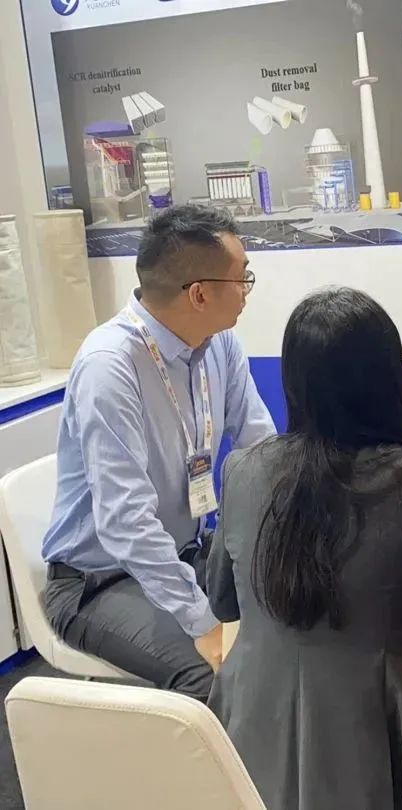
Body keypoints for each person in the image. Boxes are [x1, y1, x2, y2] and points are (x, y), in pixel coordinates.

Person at [207, 287, 402, 810]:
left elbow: (223, 601)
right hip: (381, 731)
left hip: (250, 723)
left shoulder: (243, 470)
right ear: (388, 377)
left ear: (293, 380)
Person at [41, 204, 275, 700]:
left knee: (298, 621)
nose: (247, 291)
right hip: (99, 580)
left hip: (187, 552)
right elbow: (126, 522)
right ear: (200, 293)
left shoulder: (219, 345)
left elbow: (261, 449)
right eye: (243, 278)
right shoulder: (110, 367)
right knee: (216, 674)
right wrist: (201, 621)